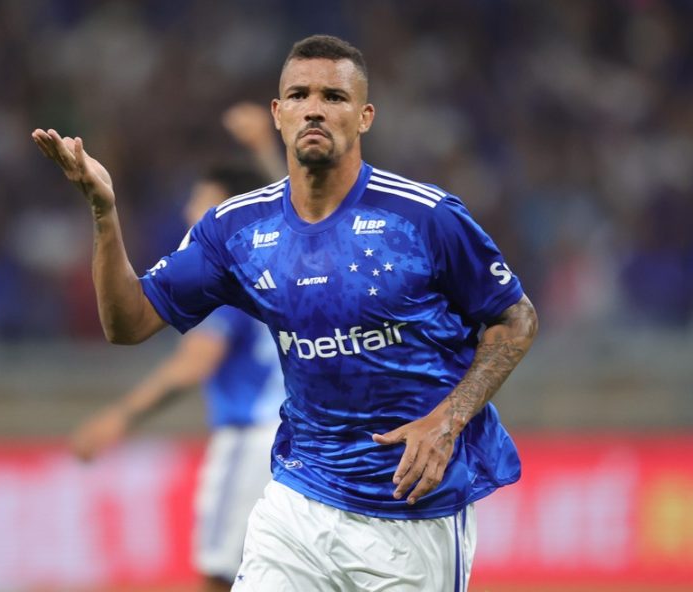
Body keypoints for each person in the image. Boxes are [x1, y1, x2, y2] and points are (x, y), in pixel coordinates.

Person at [33, 34, 538, 592]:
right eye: (299, 94)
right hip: (299, 502)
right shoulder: (238, 230)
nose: (315, 107)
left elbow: (516, 319)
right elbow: (127, 324)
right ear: (279, 113)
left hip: (412, 509)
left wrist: (449, 420)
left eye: (334, 97)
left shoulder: (424, 218)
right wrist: (105, 214)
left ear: (365, 116)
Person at [70, 162, 285, 592]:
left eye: (200, 200)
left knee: (218, 577)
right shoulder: (278, 259)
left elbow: (196, 360)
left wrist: (119, 416)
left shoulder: (228, 269)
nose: (190, 211)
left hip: (249, 438)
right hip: (291, 441)